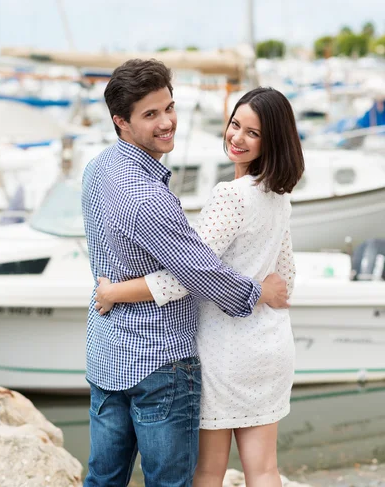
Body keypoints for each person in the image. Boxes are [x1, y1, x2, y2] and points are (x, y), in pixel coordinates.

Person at [82, 60, 288, 487]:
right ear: (121, 121)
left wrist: (113, 293)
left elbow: (195, 269)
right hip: (161, 361)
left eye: (169, 107)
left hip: (108, 350)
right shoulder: (151, 197)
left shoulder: (97, 168)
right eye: (151, 114)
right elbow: (200, 273)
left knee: (104, 478)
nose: (167, 122)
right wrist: (259, 292)